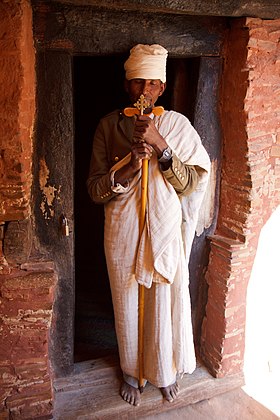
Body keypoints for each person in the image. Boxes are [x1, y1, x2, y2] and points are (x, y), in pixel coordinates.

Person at [87, 44, 210, 406]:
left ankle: (163, 370)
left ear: (162, 87)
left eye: (153, 84)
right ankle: (131, 370)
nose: (144, 91)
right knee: (126, 300)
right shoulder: (109, 126)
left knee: (161, 299)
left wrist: (162, 147)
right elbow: (95, 190)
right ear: (127, 85)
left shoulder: (177, 126)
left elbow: (191, 184)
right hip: (122, 232)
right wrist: (128, 167)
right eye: (138, 82)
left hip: (164, 231)